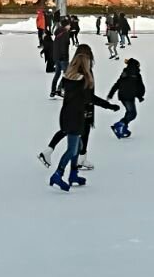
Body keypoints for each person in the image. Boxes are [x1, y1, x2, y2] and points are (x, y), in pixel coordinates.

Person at [49, 46, 118, 191]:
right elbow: (91, 98)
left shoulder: (68, 78)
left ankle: (73, 174)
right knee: (72, 150)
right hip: (76, 118)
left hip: (66, 115)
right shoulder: (82, 82)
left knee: (78, 146)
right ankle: (57, 174)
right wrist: (109, 106)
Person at [107, 56, 145, 138]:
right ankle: (119, 125)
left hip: (122, 96)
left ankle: (123, 128)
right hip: (129, 96)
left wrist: (111, 94)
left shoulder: (125, 73)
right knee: (132, 114)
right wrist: (140, 96)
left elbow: (117, 84)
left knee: (129, 112)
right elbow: (140, 87)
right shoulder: (137, 75)